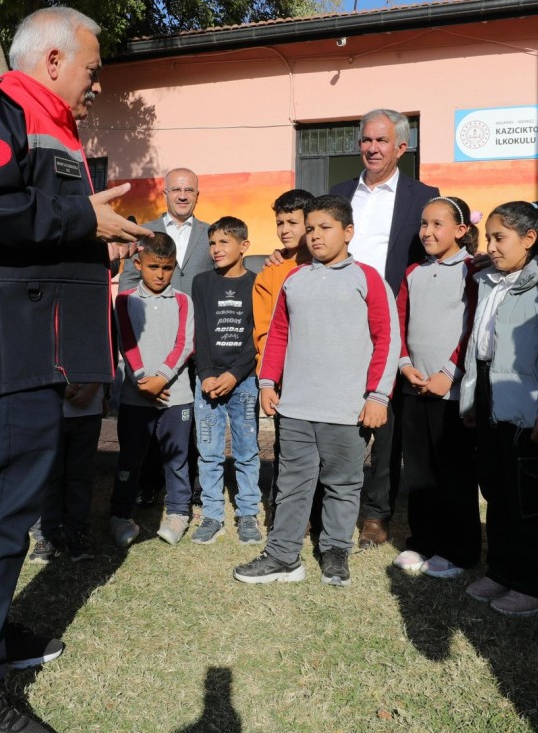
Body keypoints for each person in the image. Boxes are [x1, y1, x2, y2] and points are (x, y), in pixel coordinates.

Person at [0, 6, 145, 733]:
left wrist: (95, 229)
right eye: (90, 66)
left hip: (32, 351)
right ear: (51, 59)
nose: (95, 80)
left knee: (10, 511)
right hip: (3, 353)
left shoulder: (49, 122)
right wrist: (85, 215)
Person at [236, 195, 399, 588]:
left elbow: (387, 339)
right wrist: (267, 382)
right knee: (291, 482)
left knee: (343, 484)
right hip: (296, 406)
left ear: (348, 232)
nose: (315, 236)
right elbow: (277, 335)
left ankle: (336, 553)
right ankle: (282, 557)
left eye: (324, 228)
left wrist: (378, 396)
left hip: (347, 409)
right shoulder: (294, 279)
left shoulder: (368, 278)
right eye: (310, 229)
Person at [328, 109, 439, 548]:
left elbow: (438, 243)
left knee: (387, 420)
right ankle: (334, 500)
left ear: (401, 147)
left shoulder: (422, 195)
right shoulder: (338, 193)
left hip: (392, 318)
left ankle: (376, 513)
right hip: (340, 316)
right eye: (365, 141)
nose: (371, 148)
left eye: (381, 141)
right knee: (339, 413)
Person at [458, 200, 538, 617]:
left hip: (525, 405)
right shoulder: (490, 281)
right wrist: (471, 398)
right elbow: (478, 348)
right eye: (488, 237)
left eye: (499, 238)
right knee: (496, 489)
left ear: (530, 238)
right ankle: (503, 572)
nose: (491, 246)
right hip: (489, 395)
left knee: (528, 497)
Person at [392, 196, 478, 581]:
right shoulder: (413, 272)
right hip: (415, 388)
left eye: (437, 224)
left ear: (460, 230)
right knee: (420, 471)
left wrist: (449, 372)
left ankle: (458, 549)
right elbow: (399, 322)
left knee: (454, 473)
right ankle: (423, 540)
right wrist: (405, 365)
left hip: (452, 393)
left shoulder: (474, 271)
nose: (427, 231)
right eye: (424, 223)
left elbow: (474, 327)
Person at [109, 233, 196, 547]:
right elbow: (126, 342)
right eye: (153, 266)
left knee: (177, 459)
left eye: (168, 267)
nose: (160, 274)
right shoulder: (124, 300)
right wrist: (144, 381)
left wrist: (162, 378)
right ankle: (120, 515)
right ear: (138, 264)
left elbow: (185, 344)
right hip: (136, 397)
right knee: (130, 458)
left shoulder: (184, 301)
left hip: (178, 397)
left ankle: (177, 513)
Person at [190, 216, 261, 545]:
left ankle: (248, 513)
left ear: (243, 246)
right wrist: (206, 374)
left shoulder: (255, 283)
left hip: (243, 381)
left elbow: (254, 339)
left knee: (247, 450)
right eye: (213, 243)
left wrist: (234, 375)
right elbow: (200, 333)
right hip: (207, 382)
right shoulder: (202, 283)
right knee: (209, 451)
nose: (216, 249)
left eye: (224, 242)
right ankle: (213, 515)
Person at [27, 378, 103, 563]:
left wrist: (91, 389)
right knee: (49, 476)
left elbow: (105, 362)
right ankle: (47, 534)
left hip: (88, 408)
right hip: (47, 407)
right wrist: (59, 387)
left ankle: (77, 533)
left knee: (80, 476)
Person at [117, 168, 211, 294]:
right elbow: (129, 280)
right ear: (165, 195)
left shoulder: (211, 234)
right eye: (176, 190)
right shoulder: (142, 233)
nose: (182, 196)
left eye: (189, 190)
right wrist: (127, 310)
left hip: (199, 313)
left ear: (197, 196)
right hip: (153, 313)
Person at [252, 189, 314, 369]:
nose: (284, 230)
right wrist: (268, 375)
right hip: (281, 372)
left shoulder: (326, 265)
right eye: (280, 223)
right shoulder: (270, 272)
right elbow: (264, 331)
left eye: (292, 222)